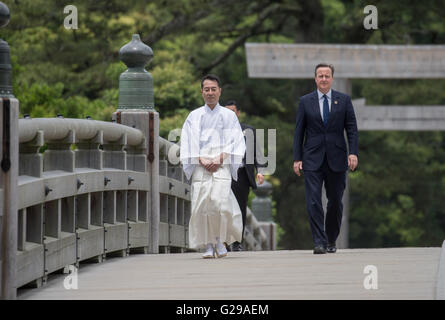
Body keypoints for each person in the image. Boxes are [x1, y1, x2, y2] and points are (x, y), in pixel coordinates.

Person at [293, 63, 358, 254]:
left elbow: (352, 128)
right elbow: (299, 132)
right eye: (320, 76)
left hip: (337, 157)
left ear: (332, 78)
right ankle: (319, 241)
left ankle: (331, 239)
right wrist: (297, 158)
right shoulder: (305, 101)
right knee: (313, 200)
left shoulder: (344, 100)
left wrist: (353, 152)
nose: (323, 79)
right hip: (312, 158)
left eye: (327, 76)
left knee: (335, 201)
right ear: (315, 79)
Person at [180, 74, 246, 259]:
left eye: (213, 89)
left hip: (221, 165)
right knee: (202, 206)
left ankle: (220, 240)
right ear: (202, 92)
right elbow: (187, 142)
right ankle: (208, 244)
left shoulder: (228, 116)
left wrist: (220, 158)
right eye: (206, 89)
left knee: (219, 204)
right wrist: (200, 159)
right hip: (201, 165)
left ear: (219, 91)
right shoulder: (194, 116)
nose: (210, 93)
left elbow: (237, 141)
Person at [224, 100, 265, 251]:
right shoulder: (217, 130)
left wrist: (260, 171)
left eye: (233, 112)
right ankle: (223, 240)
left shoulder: (249, 130)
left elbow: (257, 155)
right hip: (223, 173)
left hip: (241, 175)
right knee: (222, 207)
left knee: (240, 208)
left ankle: (236, 242)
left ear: (238, 113)